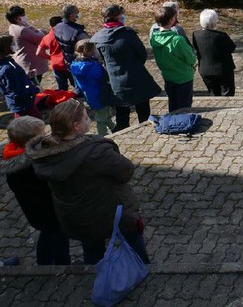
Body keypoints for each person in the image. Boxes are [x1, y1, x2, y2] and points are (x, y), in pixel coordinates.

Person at [28, 100, 150, 265]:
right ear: (76, 126)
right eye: (86, 117)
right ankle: (142, 268)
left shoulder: (44, 154)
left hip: (77, 216)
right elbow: (126, 171)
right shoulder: (96, 152)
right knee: (133, 241)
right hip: (108, 211)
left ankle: (94, 274)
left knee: (92, 250)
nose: (89, 120)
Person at [1, 116, 70, 265]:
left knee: (47, 234)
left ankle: (43, 261)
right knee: (58, 237)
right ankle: (62, 264)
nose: (46, 135)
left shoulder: (11, 160)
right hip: (50, 211)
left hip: (34, 212)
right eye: (42, 134)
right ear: (32, 143)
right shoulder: (35, 165)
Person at [91, 5, 161, 131]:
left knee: (122, 114)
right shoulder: (127, 34)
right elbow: (142, 54)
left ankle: (123, 133)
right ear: (118, 17)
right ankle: (147, 133)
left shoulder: (98, 38)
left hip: (115, 80)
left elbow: (101, 59)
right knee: (143, 111)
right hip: (136, 77)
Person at [149, 5, 196, 113]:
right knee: (184, 107)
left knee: (173, 103)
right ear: (171, 20)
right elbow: (191, 59)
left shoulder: (154, 37)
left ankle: (173, 123)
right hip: (183, 77)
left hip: (168, 76)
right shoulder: (177, 40)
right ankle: (183, 126)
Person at [69, 40, 117, 137]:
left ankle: (113, 127)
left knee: (104, 113)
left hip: (89, 94)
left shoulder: (74, 65)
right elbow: (103, 78)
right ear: (90, 51)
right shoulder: (94, 66)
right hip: (101, 94)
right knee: (101, 118)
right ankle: (102, 136)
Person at [191, 9, 237, 97]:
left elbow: (196, 49)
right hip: (223, 70)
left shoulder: (196, 35)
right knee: (227, 94)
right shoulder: (221, 36)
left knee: (213, 93)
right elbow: (232, 48)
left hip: (205, 70)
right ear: (213, 23)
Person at [0, 35, 40, 118]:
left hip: (23, 103)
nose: (15, 45)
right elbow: (16, 91)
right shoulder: (8, 68)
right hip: (23, 104)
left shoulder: (8, 62)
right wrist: (35, 89)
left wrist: (26, 76)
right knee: (34, 124)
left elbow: (14, 80)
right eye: (13, 44)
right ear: (6, 47)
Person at [6, 5, 48, 84]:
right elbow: (40, 38)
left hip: (23, 60)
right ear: (17, 18)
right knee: (35, 85)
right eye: (23, 15)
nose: (25, 16)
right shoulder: (23, 29)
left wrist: (33, 29)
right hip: (30, 63)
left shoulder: (13, 26)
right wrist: (41, 31)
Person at [53, 5, 89, 91]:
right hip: (78, 63)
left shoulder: (57, 27)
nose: (79, 14)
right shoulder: (78, 32)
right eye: (77, 12)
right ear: (71, 16)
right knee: (80, 86)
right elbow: (88, 47)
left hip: (66, 60)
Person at [37, 16, 67, 91]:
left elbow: (38, 52)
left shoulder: (46, 37)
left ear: (50, 26)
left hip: (56, 65)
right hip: (67, 63)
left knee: (62, 87)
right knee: (76, 85)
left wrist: (50, 57)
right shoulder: (66, 35)